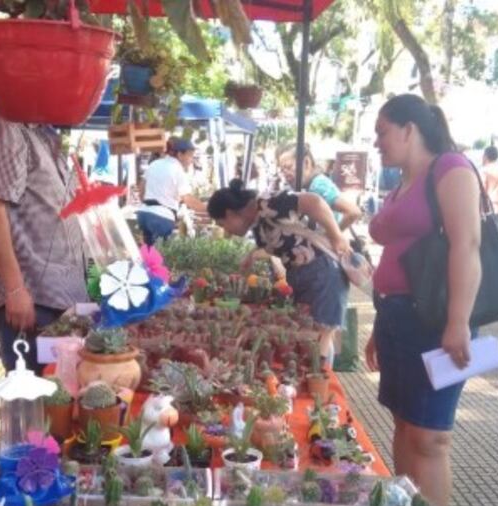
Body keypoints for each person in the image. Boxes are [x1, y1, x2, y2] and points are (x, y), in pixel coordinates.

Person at [364, 93, 482, 506]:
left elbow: (466, 246)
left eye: (382, 132)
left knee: (430, 437)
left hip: (433, 321)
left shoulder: (450, 169)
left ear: (409, 129)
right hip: (396, 318)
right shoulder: (402, 185)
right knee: (404, 423)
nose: (377, 142)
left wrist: (458, 322)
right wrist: (380, 328)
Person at [0, 110, 89, 375]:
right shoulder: (3, 128)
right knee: (34, 401)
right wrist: (15, 289)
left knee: (61, 396)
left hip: (56, 297)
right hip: (32, 301)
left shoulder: (39, 130)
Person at [207, 180, 353, 360]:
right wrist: (250, 255)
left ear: (230, 214)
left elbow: (314, 202)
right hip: (304, 276)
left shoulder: (268, 204)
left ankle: (320, 382)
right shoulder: (258, 220)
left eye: (223, 224)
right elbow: (280, 238)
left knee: (319, 338)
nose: (226, 231)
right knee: (314, 336)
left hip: (322, 273)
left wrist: (336, 236)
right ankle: (320, 378)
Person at [137, 138, 207, 245]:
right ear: (179, 154)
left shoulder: (154, 164)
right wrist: (208, 210)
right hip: (161, 218)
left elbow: (141, 190)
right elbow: (187, 199)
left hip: (143, 214)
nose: (191, 160)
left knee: (148, 253)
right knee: (160, 256)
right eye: (190, 156)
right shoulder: (178, 169)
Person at [277, 144, 363, 231]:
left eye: (288, 167)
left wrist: (331, 237)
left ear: (306, 163)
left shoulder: (317, 186)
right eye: (282, 170)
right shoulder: (312, 185)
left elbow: (353, 212)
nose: (286, 173)